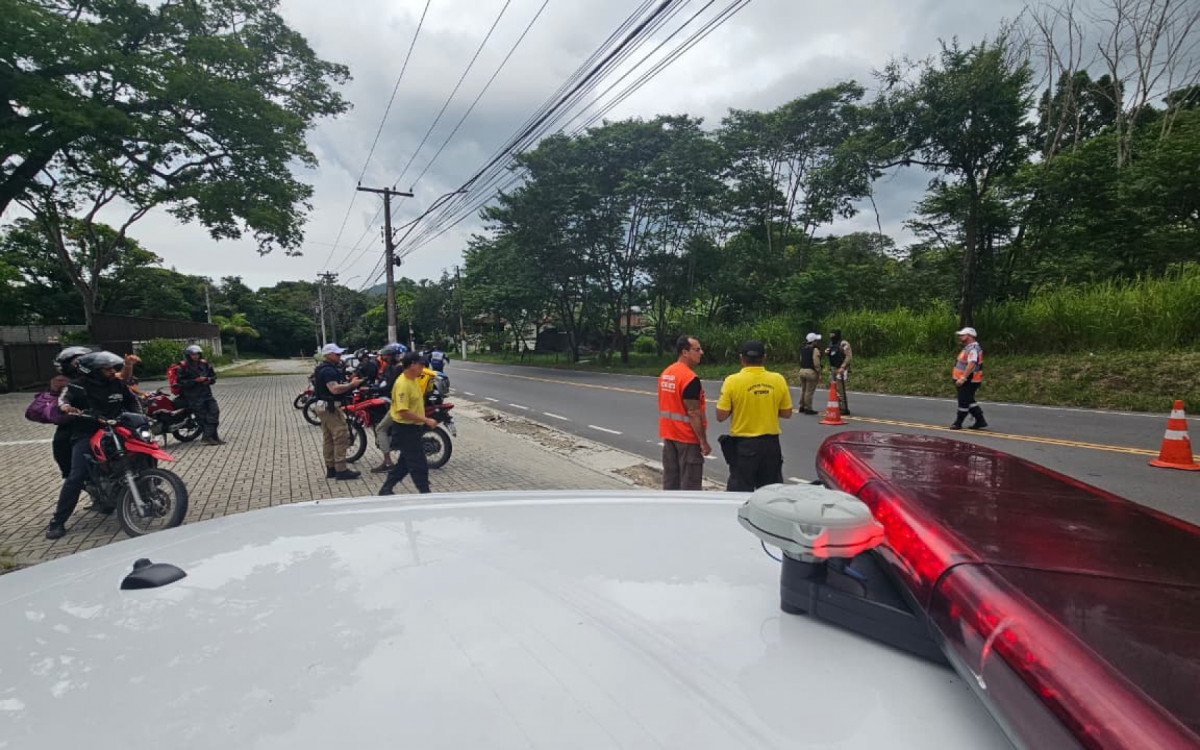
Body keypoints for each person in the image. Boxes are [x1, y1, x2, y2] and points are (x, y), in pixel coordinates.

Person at [46, 351, 142, 540]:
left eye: (112, 367)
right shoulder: (76, 386)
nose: (111, 371)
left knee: (144, 451)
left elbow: (133, 402)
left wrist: (141, 417)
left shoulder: (117, 384)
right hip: (87, 434)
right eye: (106, 369)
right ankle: (57, 522)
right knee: (76, 476)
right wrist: (66, 408)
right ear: (93, 371)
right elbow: (63, 401)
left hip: (116, 430)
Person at [716, 341, 793, 492]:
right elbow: (787, 413)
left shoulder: (732, 381)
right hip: (771, 446)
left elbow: (721, 415)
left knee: (739, 492)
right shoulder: (778, 379)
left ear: (741, 358)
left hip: (744, 446)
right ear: (764, 358)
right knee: (770, 494)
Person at [378, 351, 438, 495]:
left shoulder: (413, 380)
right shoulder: (403, 384)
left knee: (404, 464)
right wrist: (426, 420)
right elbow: (402, 411)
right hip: (405, 429)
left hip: (413, 428)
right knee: (418, 463)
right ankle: (425, 492)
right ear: (411, 365)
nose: (423, 367)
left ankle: (386, 488)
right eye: (420, 364)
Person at [657, 335, 711, 490]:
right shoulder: (689, 378)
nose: (701, 352)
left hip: (669, 436)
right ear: (684, 352)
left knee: (671, 483)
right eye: (697, 349)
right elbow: (693, 413)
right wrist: (703, 441)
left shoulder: (666, 373)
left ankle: (670, 512)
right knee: (690, 487)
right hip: (687, 439)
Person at [312, 343, 363, 480]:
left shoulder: (322, 368)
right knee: (341, 435)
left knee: (328, 438)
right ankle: (341, 469)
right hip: (330, 408)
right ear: (328, 355)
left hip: (323, 406)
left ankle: (331, 468)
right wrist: (352, 385)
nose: (340, 356)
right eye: (337, 354)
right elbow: (334, 389)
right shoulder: (329, 370)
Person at [370, 343, 406, 474]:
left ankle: (388, 462)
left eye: (387, 355)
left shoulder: (398, 368)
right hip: (402, 401)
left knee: (380, 428)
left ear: (394, 356)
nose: (384, 357)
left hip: (400, 404)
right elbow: (384, 380)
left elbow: (388, 386)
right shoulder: (395, 367)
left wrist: (370, 389)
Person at [176, 345, 223, 445]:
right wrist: (195, 381)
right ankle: (209, 437)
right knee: (202, 417)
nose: (195, 356)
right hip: (193, 396)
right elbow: (181, 382)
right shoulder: (183, 366)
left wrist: (208, 379)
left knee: (214, 412)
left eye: (197, 354)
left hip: (206, 393)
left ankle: (211, 436)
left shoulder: (204, 364)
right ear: (188, 355)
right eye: (193, 354)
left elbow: (213, 376)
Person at [950, 327, 988, 430]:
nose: (960, 337)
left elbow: (971, 364)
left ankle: (958, 422)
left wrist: (963, 378)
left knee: (963, 402)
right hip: (967, 380)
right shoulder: (968, 348)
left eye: (963, 335)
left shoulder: (973, 349)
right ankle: (980, 421)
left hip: (969, 380)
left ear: (970, 336)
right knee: (969, 400)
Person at [826, 328, 853, 416]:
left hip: (841, 369)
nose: (831, 337)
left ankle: (844, 408)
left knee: (841, 389)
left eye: (833, 335)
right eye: (830, 335)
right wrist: (827, 352)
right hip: (833, 368)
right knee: (834, 388)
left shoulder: (844, 343)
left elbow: (848, 356)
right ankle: (837, 406)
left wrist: (843, 366)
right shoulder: (831, 343)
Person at [797, 333, 823, 415]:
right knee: (809, 391)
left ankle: (802, 406)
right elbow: (816, 363)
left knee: (803, 389)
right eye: (816, 341)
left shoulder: (803, 349)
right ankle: (808, 408)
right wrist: (819, 372)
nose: (817, 342)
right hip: (810, 372)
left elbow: (801, 360)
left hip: (802, 371)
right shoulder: (815, 350)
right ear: (813, 341)